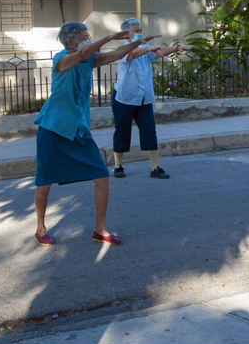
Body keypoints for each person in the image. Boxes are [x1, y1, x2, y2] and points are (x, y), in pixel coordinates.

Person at [32, 22, 158, 247]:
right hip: (54, 127)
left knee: (101, 175)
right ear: (70, 41)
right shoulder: (61, 59)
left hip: (79, 128)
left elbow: (115, 54)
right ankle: (40, 229)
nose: (88, 39)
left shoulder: (89, 57)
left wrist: (139, 42)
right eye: (84, 36)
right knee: (44, 182)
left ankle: (100, 230)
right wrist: (109, 36)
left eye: (89, 36)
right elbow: (82, 55)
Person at [111, 18, 192, 179]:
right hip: (125, 97)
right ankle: (118, 166)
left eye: (141, 30)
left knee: (149, 131)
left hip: (144, 97)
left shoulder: (145, 48)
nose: (141, 33)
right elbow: (132, 55)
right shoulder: (122, 49)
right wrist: (148, 48)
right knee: (122, 131)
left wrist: (177, 48)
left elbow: (159, 52)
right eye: (137, 31)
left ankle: (155, 168)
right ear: (127, 34)